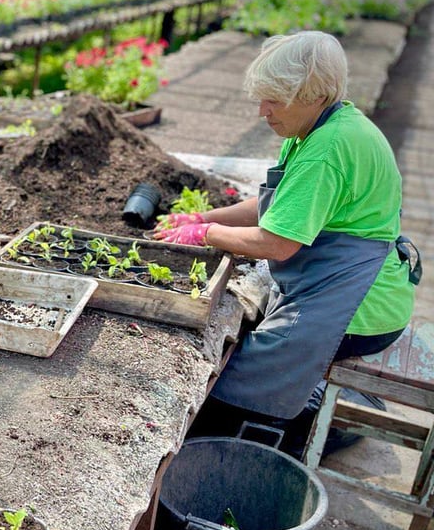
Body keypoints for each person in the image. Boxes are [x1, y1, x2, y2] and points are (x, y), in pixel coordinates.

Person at [154, 30, 418, 458]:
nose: (262, 111)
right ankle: (305, 407)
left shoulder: (327, 149)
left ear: (314, 95)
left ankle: (292, 433)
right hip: (348, 279)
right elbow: (275, 205)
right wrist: (204, 217)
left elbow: (276, 243)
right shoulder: (321, 127)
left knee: (243, 380)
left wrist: (203, 235)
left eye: (274, 100)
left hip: (360, 308)